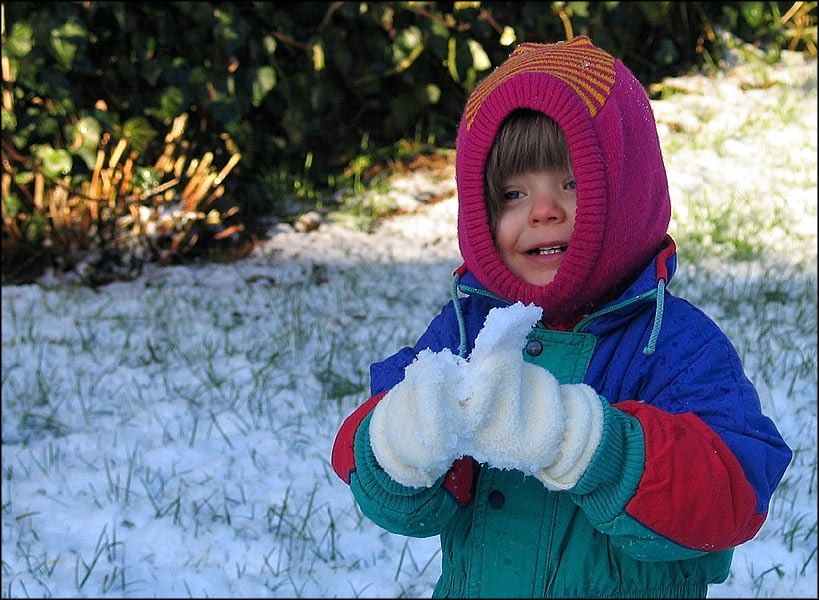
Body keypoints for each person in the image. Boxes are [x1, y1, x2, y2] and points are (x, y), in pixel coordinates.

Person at [331, 36, 792, 598]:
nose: (544, 210)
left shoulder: (670, 344)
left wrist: (584, 440)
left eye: (572, 184)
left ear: (627, 194)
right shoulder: (464, 331)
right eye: (513, 192)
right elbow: (403, 506)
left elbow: (733, 495)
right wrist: (399, 444)